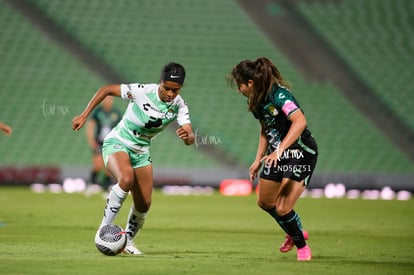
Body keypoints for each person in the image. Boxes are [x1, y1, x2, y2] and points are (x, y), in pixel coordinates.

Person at [72, 62, 195, 255]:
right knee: (126, 178)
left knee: (144, 203)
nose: (170, 94)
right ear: (160, 83)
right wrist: (84, 115)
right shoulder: (142, 91)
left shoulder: (179, 106)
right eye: (167, 88)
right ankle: (104, 230)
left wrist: (189, 137)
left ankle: (126, 241)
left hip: (141, 152)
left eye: (175, 90)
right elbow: (106, 90)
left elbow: (189, 133)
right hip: (118, 142)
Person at [227, 57, 318, 261]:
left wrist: (279, 150)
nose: (238, 90)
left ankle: (302, 247)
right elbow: (265, 130)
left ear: (250, 83)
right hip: (277, 153)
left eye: (239, 85)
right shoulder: (257, 100)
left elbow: (300, 121)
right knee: (265, 202)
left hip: (300, 153)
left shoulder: (280, 96)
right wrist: (257, 159)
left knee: (283, 207)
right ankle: (295, 231)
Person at [85, 96, 121, 194]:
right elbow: (90, 126)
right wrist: (91, 140)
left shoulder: (116, 113)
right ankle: (91, 185)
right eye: (106, 99)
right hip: (99, 142)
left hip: (110, 143)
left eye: (109, 99)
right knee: (97, 165)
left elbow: (120, 128)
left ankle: (106, 188)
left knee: (108, 167)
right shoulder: (98, 112)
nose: (108, 101)